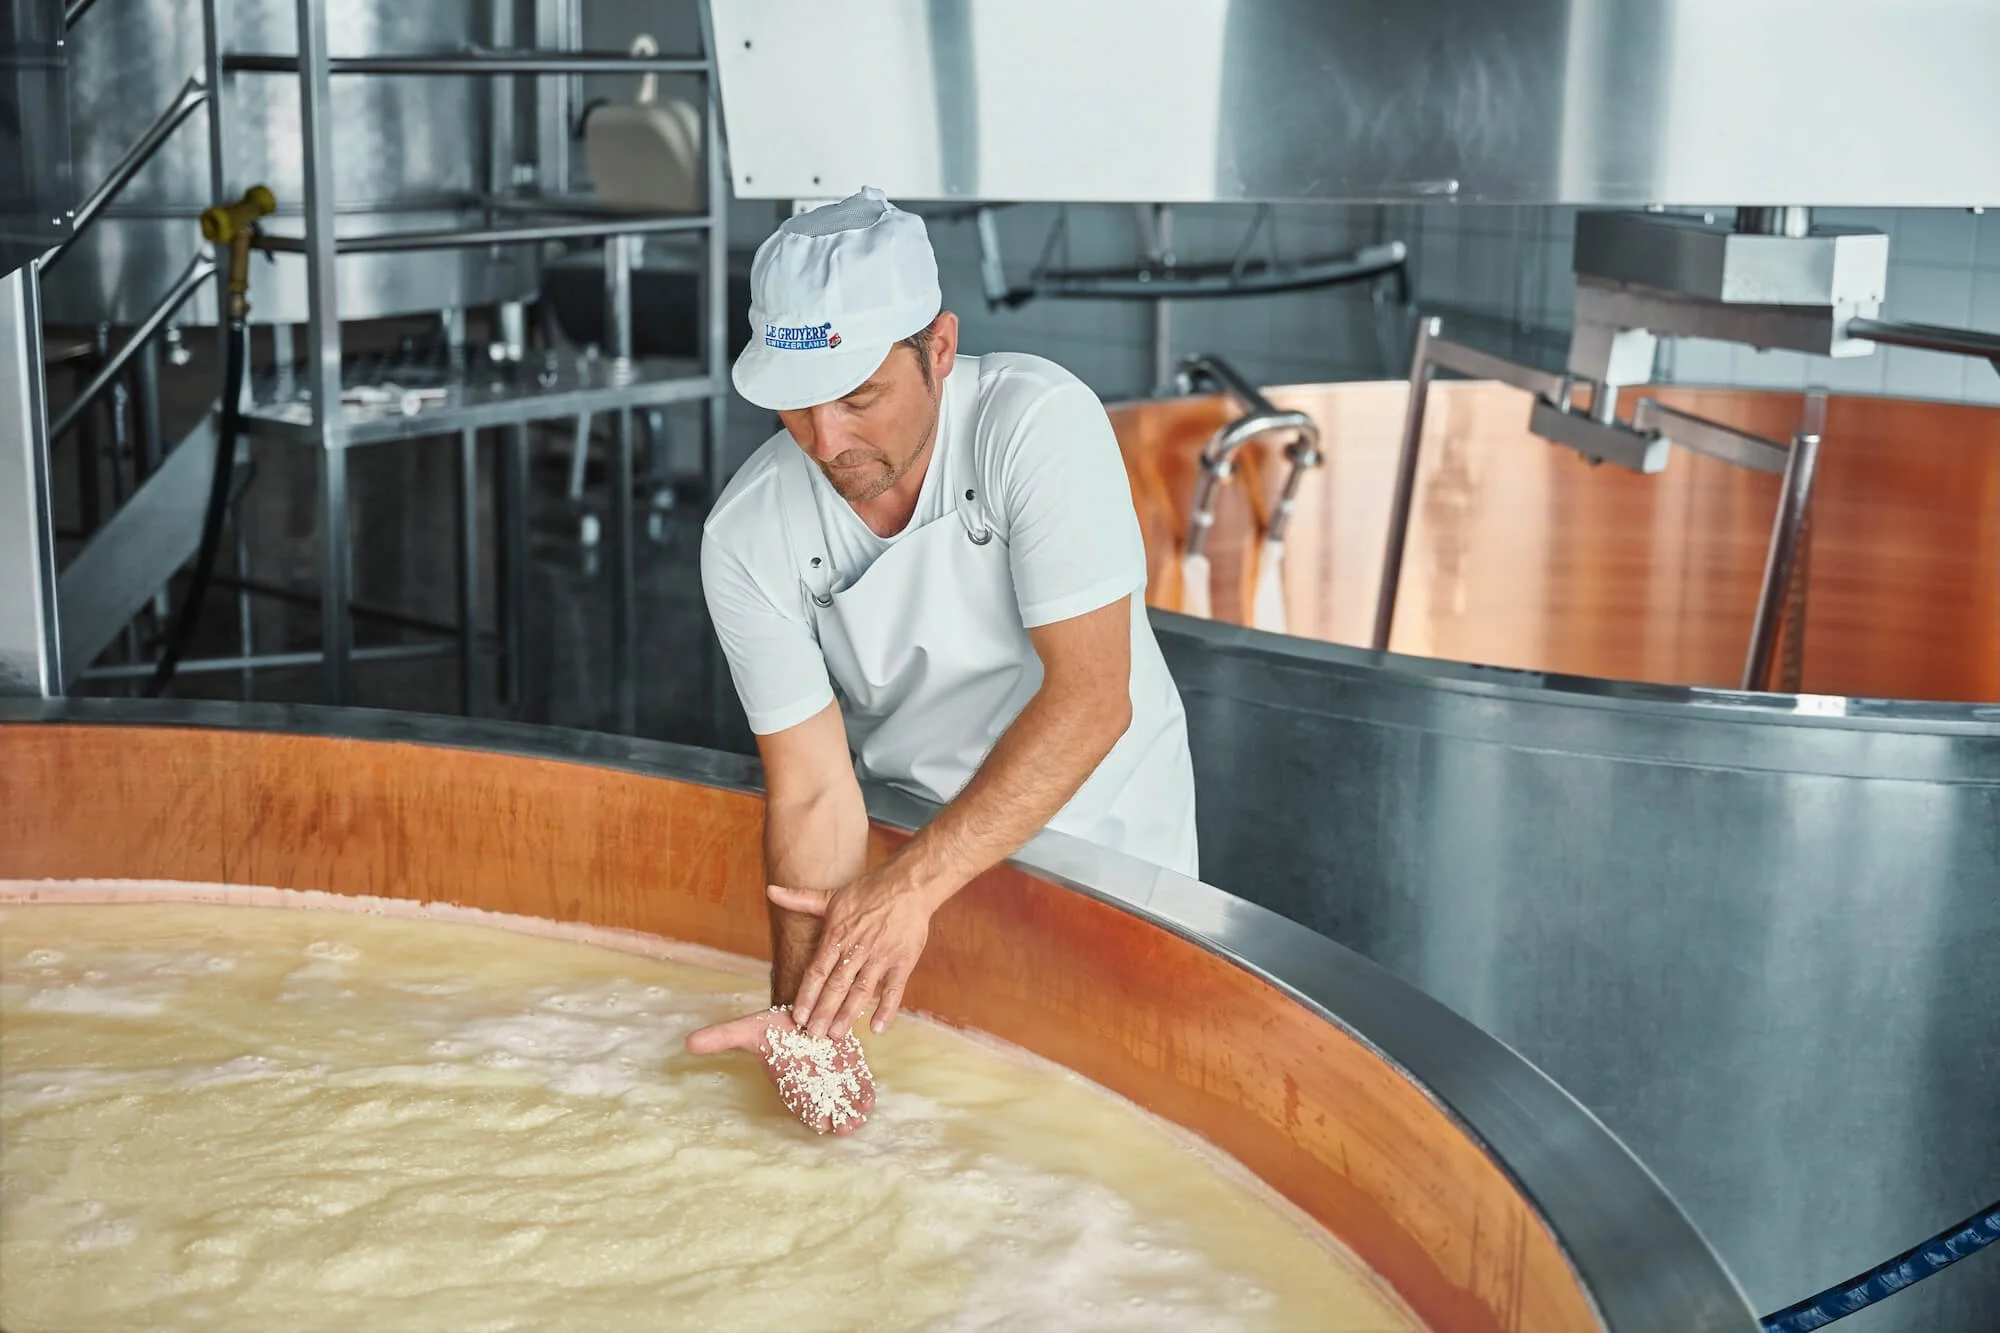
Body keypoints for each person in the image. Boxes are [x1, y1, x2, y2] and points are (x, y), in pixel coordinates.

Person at [684, 187, 1197, 1133]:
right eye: (796, 404)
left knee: (1103, 1133)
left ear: (942, 348)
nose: (826, 440)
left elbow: (1092, 700)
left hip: (1109, 854)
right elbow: (812, 793)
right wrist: (808, 1026)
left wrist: (908, 889)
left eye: (860, 397)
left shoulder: (1034, 425)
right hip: (915, 868)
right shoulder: (747, 535)